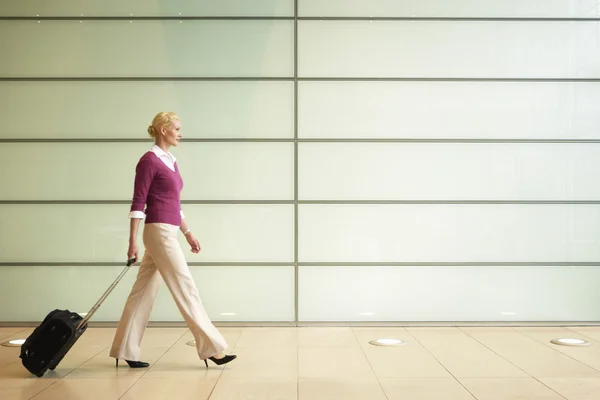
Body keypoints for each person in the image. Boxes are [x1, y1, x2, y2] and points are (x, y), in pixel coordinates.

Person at [109, 112, 237, 369]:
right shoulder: (148, 161)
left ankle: (125, 349)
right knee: (185, 285)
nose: (180, 133)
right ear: (162, 129)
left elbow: (174, 205)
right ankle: (211, 347)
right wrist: (132, 242)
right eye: (177, 128)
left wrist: (188, 232)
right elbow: (138, 203)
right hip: (157, 231)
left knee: (143, 291)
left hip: (167, 229)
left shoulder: (171, 161)